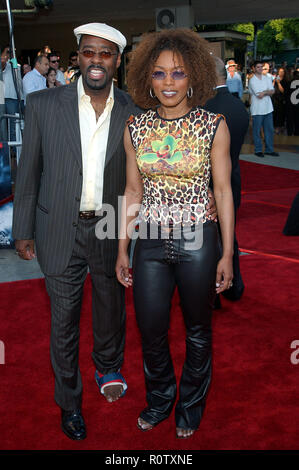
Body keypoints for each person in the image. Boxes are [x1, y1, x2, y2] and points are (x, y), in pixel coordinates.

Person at [12, 22, 139, 441]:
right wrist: (23, 229)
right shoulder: (43, 103)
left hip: (109, 228)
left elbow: (146, 177)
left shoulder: (134, 111)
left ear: (116, 61)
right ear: (77, 56)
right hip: (57, 228)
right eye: (89, 52)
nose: (96, 60)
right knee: (63, 322)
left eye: (105, 53)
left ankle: (108, 367)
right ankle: (69, 403)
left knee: (110, 310)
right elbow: (28, 170)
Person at [115, 29, 234, 439]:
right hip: (148, 240)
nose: (168, 82)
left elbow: (223, 191)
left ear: (193, 77)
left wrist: (227, 254)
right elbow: (132, 191)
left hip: (199, 239)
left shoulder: (212, 125)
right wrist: (122, 248)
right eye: (160, 73)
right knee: (150, 328)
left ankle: (190, 404)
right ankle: (161, 399)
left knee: (198, 330)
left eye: (178, 74)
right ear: (148, 77)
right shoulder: (135, 127)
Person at [205, 57, 249, 302]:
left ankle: (214, 291)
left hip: (209, 186)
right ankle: (234, 286)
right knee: (228, 234)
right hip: (233, 181)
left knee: (210, 241)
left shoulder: (204, 109)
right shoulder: (238, 106)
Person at [248, 60, 279, 158]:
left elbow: (272, 91)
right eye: (258, 67)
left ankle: (269, 150)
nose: (260, 68)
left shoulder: (267, 78)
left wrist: (265, 92)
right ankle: (258, 150)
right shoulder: (252, 80)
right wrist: (267, 92)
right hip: (257, 109)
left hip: (268, 108)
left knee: (269, 130)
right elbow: (259, 95)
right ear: (253, 68)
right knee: (256, 131)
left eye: (261, 67)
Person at [273, 67, 287, 134]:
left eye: (282, 71)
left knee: (281, 115)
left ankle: (280, 128)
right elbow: (272, 88)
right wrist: (274, 81)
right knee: (275, 115)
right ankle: (276, 128)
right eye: (280, 71)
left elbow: (283, 91)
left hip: (282, 101)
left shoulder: (285, 81)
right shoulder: (275, 80)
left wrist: (278, 83)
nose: (281, 73)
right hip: (275, 100)